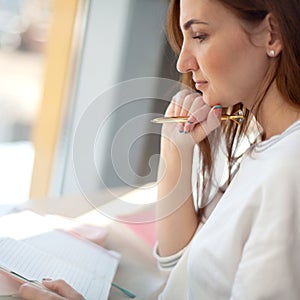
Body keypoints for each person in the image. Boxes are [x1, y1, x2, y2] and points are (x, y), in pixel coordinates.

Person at [18, 0, 300, 299]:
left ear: (271, 34)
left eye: (200, 36)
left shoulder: (288, 168)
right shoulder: (264, 145)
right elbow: (185, 275)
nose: (183, 63)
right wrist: (176, 150)